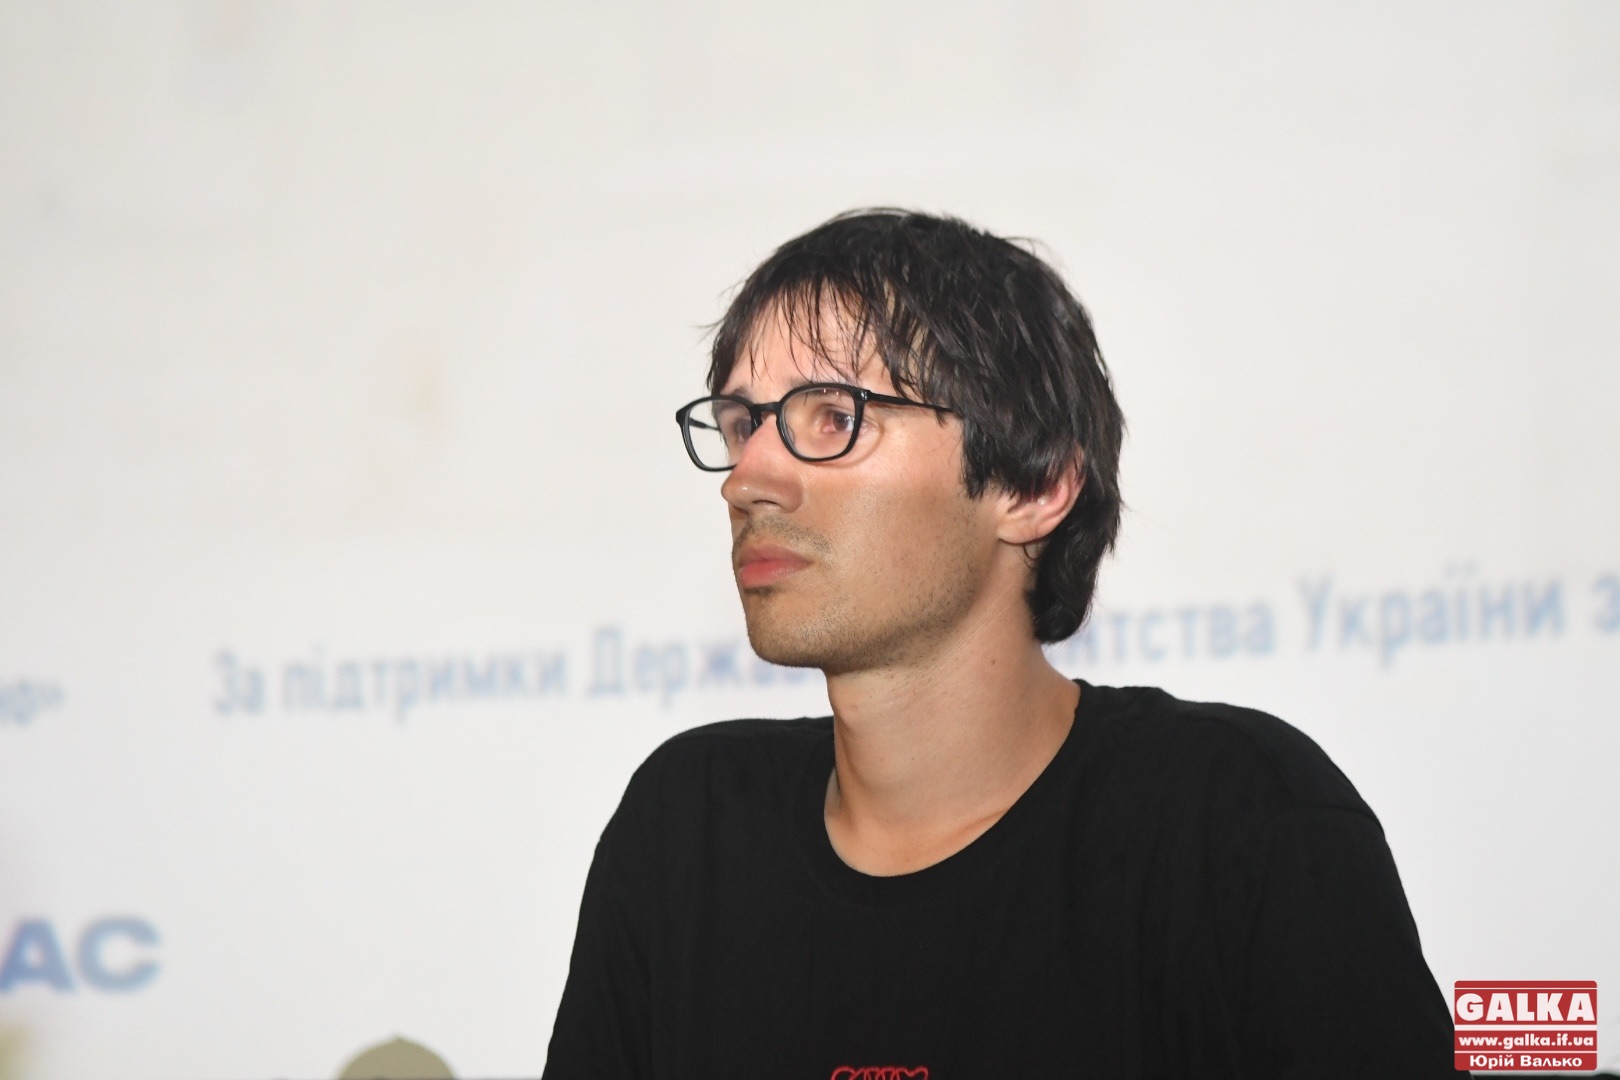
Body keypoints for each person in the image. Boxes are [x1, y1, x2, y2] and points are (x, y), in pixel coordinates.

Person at [542, 209, 1455, 1077]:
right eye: (743, 424)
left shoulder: (1240, 824)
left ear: (1033, 486)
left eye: (834, 416)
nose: (747, 479)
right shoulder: (687, 833)